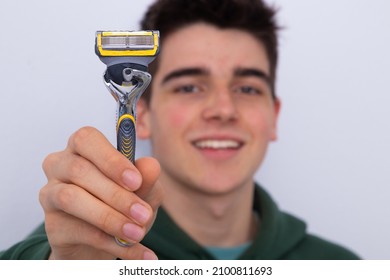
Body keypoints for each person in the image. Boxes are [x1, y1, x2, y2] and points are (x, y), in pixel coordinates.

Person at [0, 0, 359, 260]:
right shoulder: (71, 251)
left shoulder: (338, 266)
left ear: (274, 117)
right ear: (141, 114)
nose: (223, 110)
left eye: (247, 88)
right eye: (189, 87)